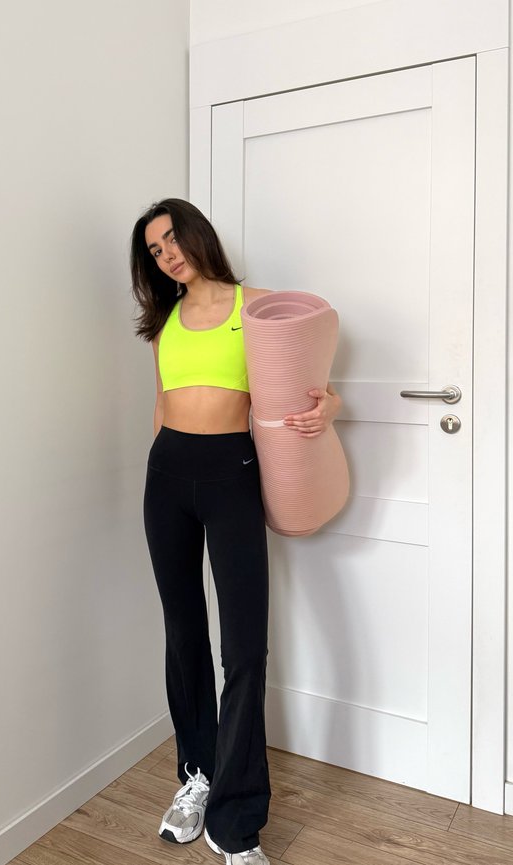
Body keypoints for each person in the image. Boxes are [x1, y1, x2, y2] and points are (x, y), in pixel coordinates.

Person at [130, 198, 341, 865]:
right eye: (155, 250)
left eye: (171, 239)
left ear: (196, 234)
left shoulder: (258, 305)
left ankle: (235, 820)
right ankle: (197, 773)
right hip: (167, 475)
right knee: (183, 632)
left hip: (231, 472)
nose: (167, 254)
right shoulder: (165, 321)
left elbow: (311, 379)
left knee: (245, 647)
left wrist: (329, 406)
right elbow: (161, 407)